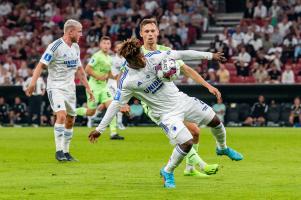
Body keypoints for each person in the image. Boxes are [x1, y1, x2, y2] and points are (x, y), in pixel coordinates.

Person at [89, 37, 243, 188]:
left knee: (215, 121)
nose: (143, 59)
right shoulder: (128, 81)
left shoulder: (153, 57)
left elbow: (182, 54)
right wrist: (100, 129)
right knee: (187, 142)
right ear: (130, 61)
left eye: (142, 55)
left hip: (182, 101)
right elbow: (115, 104)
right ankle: (167, 171)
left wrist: (211, 56)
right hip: (166, 115)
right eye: (139, 58)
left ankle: (222, 148)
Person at [139, 18, 219, 177]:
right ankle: (201, 165)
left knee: (195, 131)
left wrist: (208, 85)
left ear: (158, 32)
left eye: (152, 31)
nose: (150, 34)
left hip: (173, 101)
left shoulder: (165, 51)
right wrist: (122, 103)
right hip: (155, 107)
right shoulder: (137, 55)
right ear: (141, 34)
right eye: (146, 31)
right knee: (184, 138)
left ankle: (189, 169)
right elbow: (125, 78)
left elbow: (186, 70)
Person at [26, 19, 94, 162]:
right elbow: (41, 65)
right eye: (79, 31)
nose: (81, 34)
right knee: (61, 116)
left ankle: (66, 152)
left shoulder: (75, 48)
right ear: (70, 31)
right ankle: (58, 151)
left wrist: (88, 88)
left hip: (70, 88)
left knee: (70, 120)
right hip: (55, 86)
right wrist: (32, 83)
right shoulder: (55, 46)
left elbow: (80, 70)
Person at [76, 36, 125, 140]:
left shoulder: (109, 58)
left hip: (104, 88)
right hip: (93, 87)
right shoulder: (96, 56)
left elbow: (109, 74)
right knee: (91, 112)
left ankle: (113, 133)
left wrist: (116, 77)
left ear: (110, 45)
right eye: (104, 43)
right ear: (100, 45)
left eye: (108, 43)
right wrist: (98, 77)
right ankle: (70, 111)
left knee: (112, 107)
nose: (106, 46)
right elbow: (87, 69)